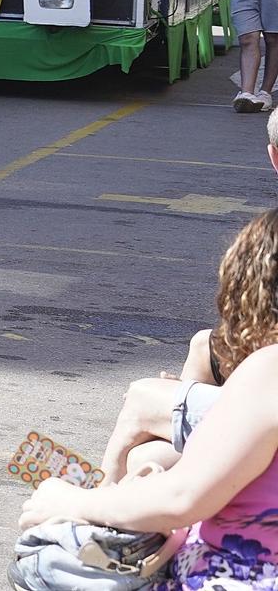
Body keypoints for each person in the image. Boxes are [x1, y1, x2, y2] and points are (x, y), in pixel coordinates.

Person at [19, 209, 278, 589]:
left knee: (50, 558)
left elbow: (182, 498)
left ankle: (97, 495)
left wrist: (71, 504)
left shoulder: (269, 370)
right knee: (147, 457)